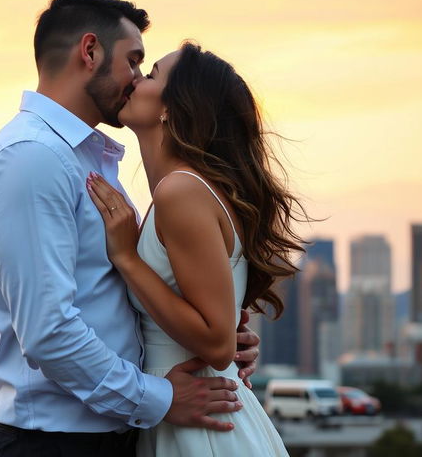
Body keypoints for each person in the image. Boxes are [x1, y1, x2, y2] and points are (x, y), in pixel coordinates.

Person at [0, 0, 261, 457]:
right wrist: (161, 398)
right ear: (90, 52)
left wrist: (212, 345)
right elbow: (49, 332)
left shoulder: (89, 165)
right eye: (135, 61)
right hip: (55, 444)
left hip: (114, 436)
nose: (137, 79)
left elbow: (110, 297)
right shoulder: (33, 160)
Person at [87, 42, 307, 455]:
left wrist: (128, 259)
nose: (135, 80)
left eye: (150, 75)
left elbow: (217, 341)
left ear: (173, 107)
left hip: (202, 426)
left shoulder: (181, 191)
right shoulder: (182, 191)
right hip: (190, 409)